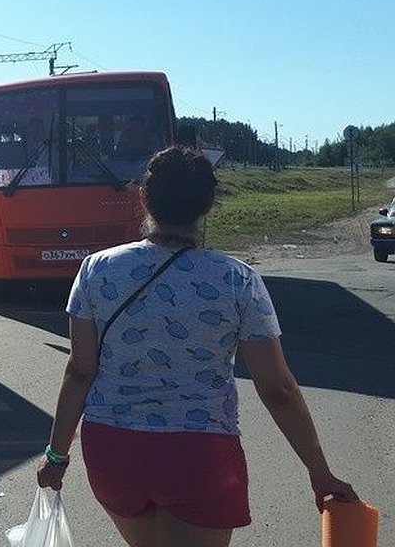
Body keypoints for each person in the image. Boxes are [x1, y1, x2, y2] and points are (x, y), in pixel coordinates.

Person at [37, 146, 357, 547]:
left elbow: (80, 371)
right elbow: (278, 389)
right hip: (198, 455)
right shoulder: (237, 280)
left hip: (112, 450)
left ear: (143, 197)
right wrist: (319, 472)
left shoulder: (96, 270)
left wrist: (56, 455)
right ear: (207, 205)